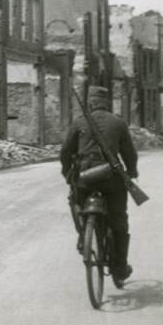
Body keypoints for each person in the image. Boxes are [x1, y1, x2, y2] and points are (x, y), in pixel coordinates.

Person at [60, 86, 139, 284]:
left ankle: (82, 235)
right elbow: (130, 153)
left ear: (91, 103)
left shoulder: (79, 122)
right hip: (112, 179)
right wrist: (132, 173)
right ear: (107, 104)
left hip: (85, 179)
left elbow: (64, 152)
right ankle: (120, 267)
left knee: (76, 204)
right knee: (119, 220)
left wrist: (68, 174)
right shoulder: (118, 123)